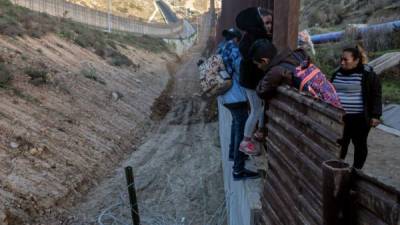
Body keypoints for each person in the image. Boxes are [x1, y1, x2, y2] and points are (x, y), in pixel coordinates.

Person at [218, 28, 260, 181]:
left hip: (224, 94)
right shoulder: (235, 50)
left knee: (236, 125)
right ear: (237, 38)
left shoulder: (221, 48)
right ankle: (238, 170)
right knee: (241, 129)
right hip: (235, 96)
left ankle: (232, 154)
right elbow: (241, 71)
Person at [331, 46, 382, 169]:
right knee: (340, 143)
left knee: (359, 144)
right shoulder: (336, 73)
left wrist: (376, 115)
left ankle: (356, 170)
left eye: (346, 60)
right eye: (341, 59)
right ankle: (338, 167)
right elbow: (330, 92)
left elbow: (376, 95)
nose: (342, 62)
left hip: (359, 118)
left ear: (356, 60)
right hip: (340, 118)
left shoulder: (367, 74)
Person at [235, 7, 273, 155]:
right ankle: (245, 142)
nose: (270, 26)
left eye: (271, 23)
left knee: (259, 107)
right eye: (267, 23)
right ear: (258, 22)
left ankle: (259, 132)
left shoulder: (254, 36)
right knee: (256, 109)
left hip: (251, 79)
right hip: (251, 81)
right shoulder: (254, 38)